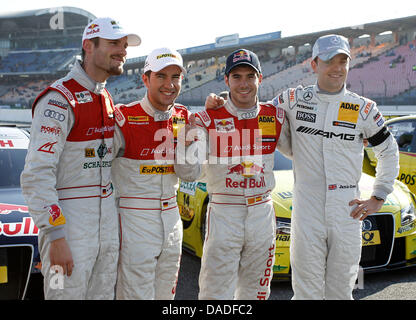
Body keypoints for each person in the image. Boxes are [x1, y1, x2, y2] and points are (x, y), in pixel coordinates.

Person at [271, 34, 400, 299]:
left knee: (342, 289)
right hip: (307, 205)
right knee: (306, 290)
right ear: (314, 64)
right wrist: (219, 106)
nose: (337, 68)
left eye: (343, 61)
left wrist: (379, 196)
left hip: (347, 208)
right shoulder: (293, 99)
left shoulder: (363, 108)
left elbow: (388, 151)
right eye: (330, 60)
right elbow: (256, 116)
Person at [20, 17, 141, 300]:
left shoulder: (106, 97)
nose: (122, 50)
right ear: (89, 45)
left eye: (124, 45)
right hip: (69, 232)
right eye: (114, 44)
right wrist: (56, 236)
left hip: (104, 232)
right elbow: (37, 174)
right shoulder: (58, 99)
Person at [194, 48, 291, 300]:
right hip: (225, 209)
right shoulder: (208, 118)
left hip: (262, 210)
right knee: (215, 291)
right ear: (226, 80)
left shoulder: (276, 115)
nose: (244, 83)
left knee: (257, 290)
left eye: (250, 75)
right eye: (236, 76)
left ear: (260, 78)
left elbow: (299, 152)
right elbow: (188, 170)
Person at [112, 47, 200, 299]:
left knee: (166, 296)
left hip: (172, 216)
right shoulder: (124, 117)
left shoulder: (184, 116)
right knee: (135, 295)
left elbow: (190, 175)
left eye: (176, 77)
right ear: (145, 79)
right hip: (133, 217)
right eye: (161, 76)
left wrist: (185, 144)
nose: (169, 84)